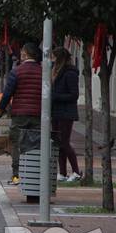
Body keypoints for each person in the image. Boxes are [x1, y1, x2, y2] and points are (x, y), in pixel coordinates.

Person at [0, 42, 42, 185]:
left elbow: (8, 93)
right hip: (38, 113)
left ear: (24, 54)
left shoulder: (17, 71)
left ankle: (17, 176)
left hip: (19, 114)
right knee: (36, 144)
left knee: (16, 144)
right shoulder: (43, 71)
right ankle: (34, 176)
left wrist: (2, 107)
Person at [51, 47, 81, 182]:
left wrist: (55, 96)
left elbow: (74, 95)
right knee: (58, 143)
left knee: (65, 142)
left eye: (53, 57)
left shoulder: (69, 74)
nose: (52, 60)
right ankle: (62, 173)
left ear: (59, 59)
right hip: (56, 112)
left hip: (66, 112)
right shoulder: (58, 73)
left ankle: (76, 171)